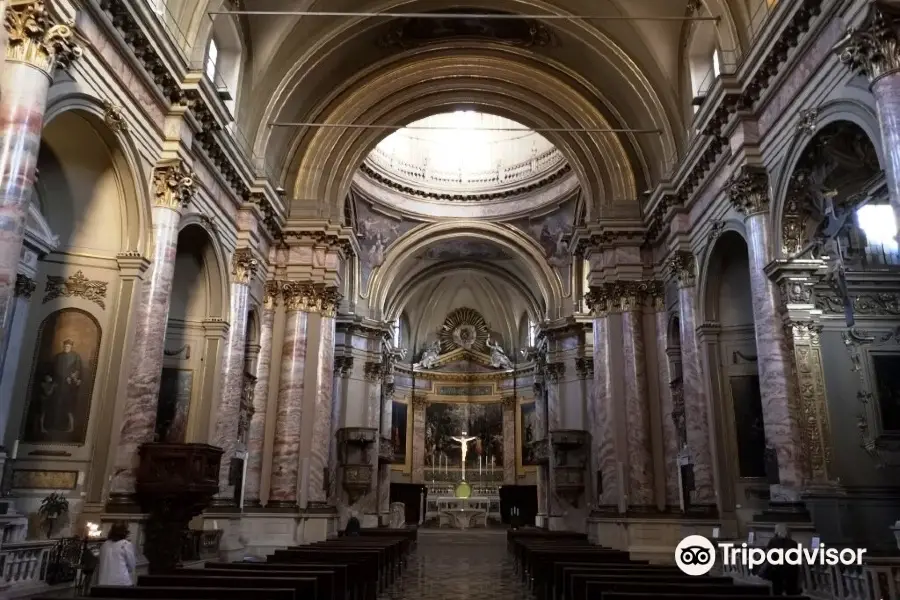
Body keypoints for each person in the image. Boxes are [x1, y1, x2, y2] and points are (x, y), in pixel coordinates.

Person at [762, 524, 800, 595]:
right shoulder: (793, 543)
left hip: (777, 569)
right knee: (791, 590)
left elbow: (768, 554)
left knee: (777, 590)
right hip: (790, 570)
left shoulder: (773, 541)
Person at [97, 522, 136, 586]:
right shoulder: (126, 544)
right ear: (125, 532)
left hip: (103, 582)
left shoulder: (104, 545)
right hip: (121, 583)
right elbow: (131, 565)